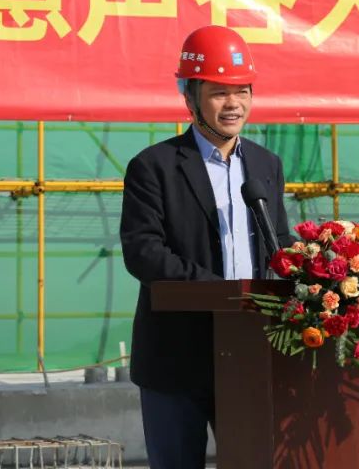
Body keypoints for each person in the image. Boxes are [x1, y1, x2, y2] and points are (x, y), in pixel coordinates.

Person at [119, 25, 291, 469]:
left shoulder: (265, 164)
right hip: (176, 357)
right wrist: (220, 294)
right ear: (190, 98)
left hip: (250, 350)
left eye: (242, 91)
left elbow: (279, 243)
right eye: (219, 93)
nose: (234, 104)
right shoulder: (153, 167)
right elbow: (143, 252)